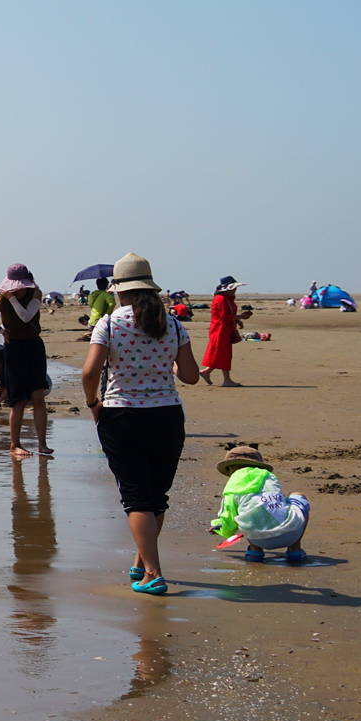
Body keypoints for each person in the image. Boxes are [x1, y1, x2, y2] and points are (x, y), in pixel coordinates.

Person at [80, 253, 200, 596]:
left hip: (123, 415)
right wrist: (169, 368)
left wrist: (93, 404)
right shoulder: (172, 324)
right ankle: (141, 562)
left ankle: (153, 572)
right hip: (167, 416)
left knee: (136, 497)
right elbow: (190, 375)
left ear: (119, 290)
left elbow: (90, 373)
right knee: (155, 496)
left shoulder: (110, 323)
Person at [0, 264, 50, 458]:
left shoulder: (35, 294)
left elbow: (25, 317)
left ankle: (42, 444)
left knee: (38, 397)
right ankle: (15, 445)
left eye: (20, 286)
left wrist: (12, 299)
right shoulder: (3, 299)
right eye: (14, 287)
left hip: (34, 347)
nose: (17, 289)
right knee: (19, 400)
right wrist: (1, 331)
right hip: (14, 349)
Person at [200, 276, 242, 386]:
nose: (235, 290)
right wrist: (239, 317)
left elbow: (229, 315)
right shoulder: (221, 299)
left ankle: (221, 377)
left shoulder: (227, 298)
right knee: (221, 354)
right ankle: (215, 375)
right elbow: (224, 316)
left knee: (224, 354)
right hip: (220, 330)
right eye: (234, 288)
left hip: (225, 329)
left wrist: (238, 320)